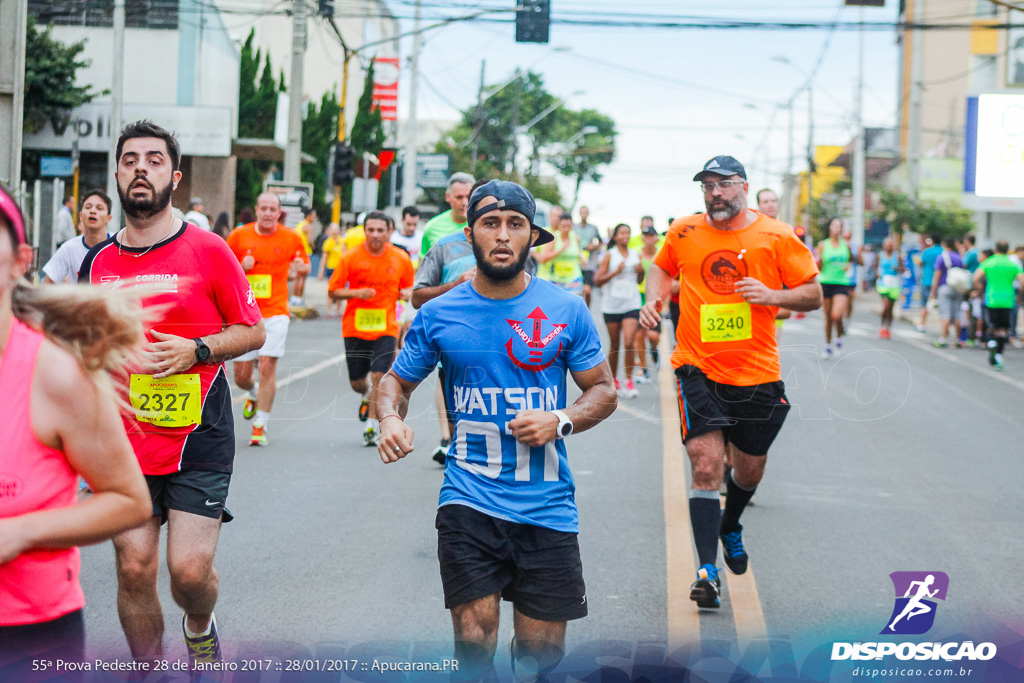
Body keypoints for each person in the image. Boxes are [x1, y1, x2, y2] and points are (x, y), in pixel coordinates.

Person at [374, 179, 617, 681]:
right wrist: (390, 417)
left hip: (547, 504)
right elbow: (395, 381)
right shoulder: (440, 312)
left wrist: (561, 419)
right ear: (470, 235)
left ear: (532, 237)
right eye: (491, 223)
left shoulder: (565, 308)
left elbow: (604, 390)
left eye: (515, 225)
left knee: (538, 657)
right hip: (468, 499)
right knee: (475, 640)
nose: (503, 235)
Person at [79, 120, 266, 666]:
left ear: (174, 176)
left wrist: (197, 351)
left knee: (187, 572)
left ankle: (200, 621)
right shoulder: (98, 264)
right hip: (125, 440)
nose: (141, 168)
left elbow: (251, 329)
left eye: (154, 160)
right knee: (133, 565)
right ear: (116, 174)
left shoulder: (207, 250)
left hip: (197, 435)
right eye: (131, 159)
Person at [639, 155, 821, 610]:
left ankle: (732, 523)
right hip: (696, 366)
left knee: (749, 468)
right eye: (707, 186)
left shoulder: (777, 235)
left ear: (743, 186)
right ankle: (706, 570)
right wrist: (654, 300)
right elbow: (661, 268)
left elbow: (813, 293)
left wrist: (774, 295)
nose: (715, 193)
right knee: (705, 465)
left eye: (723, 185)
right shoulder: (683, 230)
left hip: (757, 372)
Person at [0, 186, 150, 667]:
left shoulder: (56, 374)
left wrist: (20, 533)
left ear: (19, 261)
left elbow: (129, 500)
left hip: (28, 636)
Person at [226, 193, 310, 446]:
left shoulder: (292, 237)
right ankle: (252, 393)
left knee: (266, 366)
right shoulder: (239, 236)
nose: (267, 213)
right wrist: (242, 265)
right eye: (263, 208)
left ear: (279, 212)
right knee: (241, 376)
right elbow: (223, 270)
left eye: (272, 209)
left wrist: (300, 267)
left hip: (275, 312)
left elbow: (305, 266)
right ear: (256, 210)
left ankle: (260, 425)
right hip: (244, 313)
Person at [328, 211, 414, 446]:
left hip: (386, 327)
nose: (375, 234)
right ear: (364, 231)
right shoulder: (350, 257)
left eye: (380, 230)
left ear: (389, 231)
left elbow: (409, 288)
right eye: (370, 230)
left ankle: (371, 426)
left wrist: (407, 293)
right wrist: (357, 293)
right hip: (355, 327)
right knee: (357, 382)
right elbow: (333, 290)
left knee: (379, 375)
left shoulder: (400, 258)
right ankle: (366, 396)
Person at [595, 223, 644, 399]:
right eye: (622, 233)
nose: (626, 236)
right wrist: (615, 272)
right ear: (615, 236)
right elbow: (598, 280)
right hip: (611, 305)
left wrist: (641, 271)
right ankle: (613, 380)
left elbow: (639, 280)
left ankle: (629, 381)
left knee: (629, 341)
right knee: (614, 344)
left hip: (631, 303)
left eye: (628, 233)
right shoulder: (610, 255)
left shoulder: (634, 255)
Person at [41, 189, 113, 284]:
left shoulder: (120, 245)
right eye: (88, 207)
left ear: (108, 218)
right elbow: (47, 285)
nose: (92, 211)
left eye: (99, 208)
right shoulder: (69, 248)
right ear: (80, 216)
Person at [973, 241, 1024, 370]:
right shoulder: (1012, 263)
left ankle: (990, 343)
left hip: (991, 299)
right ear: (1007, 250)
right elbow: (1023, 281)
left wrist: (979, 290)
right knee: (1003, 329)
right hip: (1007, 300)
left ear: (996, 249)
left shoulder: (990, 261)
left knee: (992, 326)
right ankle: (999, 356)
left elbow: (975, 277)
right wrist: (1020, 296)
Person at [814, 218, 858, 359]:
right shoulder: (823, 245)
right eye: (834, 226)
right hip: (825, 282)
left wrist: (849, 266)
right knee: (828, 317)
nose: (837, 229)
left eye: (839, 226)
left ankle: (838, 338)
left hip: (842, 283)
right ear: (830, 228)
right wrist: (819, 261)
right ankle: (828, 345)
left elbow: (852, 260)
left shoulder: (847, 245)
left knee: (836, 315)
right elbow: (818, 267)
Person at [391, 206, 424, 348]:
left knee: (409, 326)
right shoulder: (393, 238)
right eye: (408, 224)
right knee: (396, 327)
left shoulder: (421, 238)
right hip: (397, 289)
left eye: (415, 225)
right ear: (402, 221)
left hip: (414, 287)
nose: (411, 228)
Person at [634, 224, 664, 383]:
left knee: (653, 335)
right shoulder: (638, 255)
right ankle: (644, 369)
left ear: (656, 239)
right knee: (639, 333)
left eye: (651, 236)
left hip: (654, 297)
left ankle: (654, 350)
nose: (648, 239)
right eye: (645, 236)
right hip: (638, 296)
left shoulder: (660, 255)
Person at [420, 172, 474, 255]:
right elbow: (423, 265)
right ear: (448, 197)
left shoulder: (483, 225)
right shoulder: (432, 227)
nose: (464, 202)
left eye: (468, 197)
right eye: (459, 197)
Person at [536, 212, 585, 295]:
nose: (566, 229)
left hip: (574, 277)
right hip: (557, 279)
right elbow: (544, 258)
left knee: (573, 303)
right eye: (563, 226)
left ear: (572, 225)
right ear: (559, 225)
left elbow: (579, 253)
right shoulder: (554, 237)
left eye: (568, 226)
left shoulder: (575, 237)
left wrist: (583, 259)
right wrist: (561, 249)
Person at [931, 238, 967, 348]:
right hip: (957, 288)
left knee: (945, 314)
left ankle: (943, 338)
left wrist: (933, 292)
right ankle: (957, 339)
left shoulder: (942, 257)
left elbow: (937, 275)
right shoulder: (958, 257)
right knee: (957, 314)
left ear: (944, 244)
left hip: (945, 286)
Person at [575, 205, 603, 307]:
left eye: (585, 212)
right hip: (577, 262)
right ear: (579, 214)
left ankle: (588, 308)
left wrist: (593, 246)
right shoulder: (574, 227)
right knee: (579, 290)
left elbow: (600, 242)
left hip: (589, 263)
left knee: (588, 290)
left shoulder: (593, 228)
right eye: (582, 212)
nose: (584, 215)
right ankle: (580, 309)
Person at [876, 236, 903, 339]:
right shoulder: (880, 255)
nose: (889, 247)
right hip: (883, 283)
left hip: (894, 283)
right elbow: (876, 267)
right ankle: (882, 326)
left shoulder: (897, 256)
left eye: (891, 245)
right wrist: (877, 274)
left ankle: (888, 328)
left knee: (891, 308)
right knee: (886, 306)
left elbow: (903, 269)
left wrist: (897, 268)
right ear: (884, 246)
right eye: (887, 245)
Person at [291, 207, 317, 305]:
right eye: (314, 215)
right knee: (303, 277)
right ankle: (299, 298)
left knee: (298, 276)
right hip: (305, 253)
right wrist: (314, 247)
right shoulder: (308, 226)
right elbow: (309, 240)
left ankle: (294, 297)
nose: (314, 218)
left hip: (297, 253)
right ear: (309, 216)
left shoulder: (299, 225)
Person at [917, 234, 942, 332]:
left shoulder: (926, 252)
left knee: (924, 304)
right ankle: (944, 327)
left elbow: (920, 263)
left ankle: (922, 325)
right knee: (941, 306)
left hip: (927, 281)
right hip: (940, 282)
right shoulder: (943, 252)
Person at [319, 223, 345, 318]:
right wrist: (320, 272)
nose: (335, 231)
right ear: (329, 230)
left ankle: (338, 310)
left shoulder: (342, 241)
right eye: (333, 229)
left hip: (341, 269)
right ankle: (330, 311)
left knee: (341, 290)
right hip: (330, 269)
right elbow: (324, 258)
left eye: (336, 229)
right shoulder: (328, 242)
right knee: (331, 290)